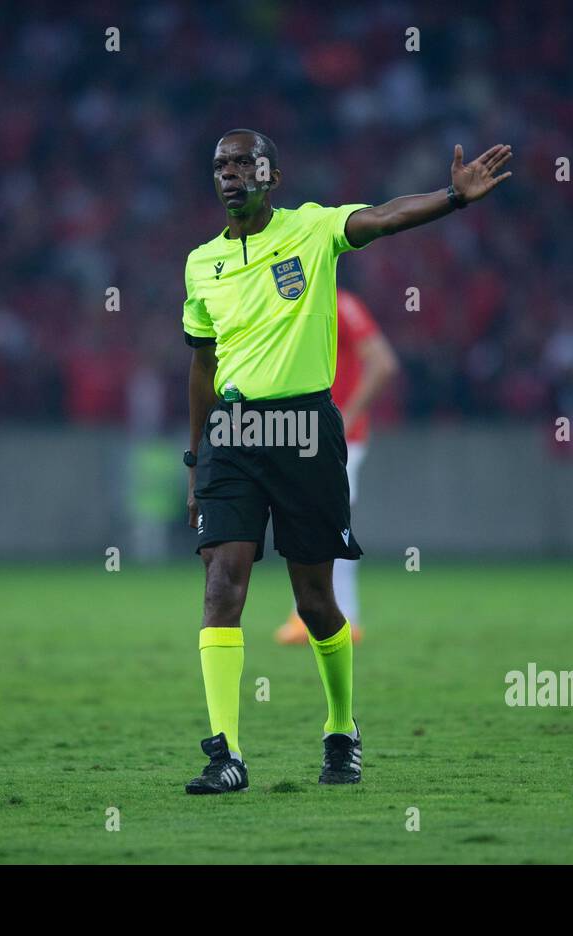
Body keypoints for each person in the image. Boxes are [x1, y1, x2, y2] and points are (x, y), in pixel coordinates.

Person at [181, 128, 512, 794]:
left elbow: (387, 217)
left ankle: (341, 728)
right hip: (234, 434)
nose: (231, 173)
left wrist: (453, 196)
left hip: (307, 431)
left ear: (271, 173)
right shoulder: (199, 264)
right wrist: (195, 458)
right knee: (223, 584)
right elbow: (202, 365)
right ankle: (226, 753)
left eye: (244, 162)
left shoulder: (313, 229)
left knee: (315, 602)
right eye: (220, 164)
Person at [275, 288, 399, 646]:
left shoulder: (339, 304)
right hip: (307, 433)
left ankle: (342, 615)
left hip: (338, 437)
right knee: (313, 521)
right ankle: (314, 614)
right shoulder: (296, 302)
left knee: (328, 523)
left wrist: (349, 416)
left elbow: (383, 363)